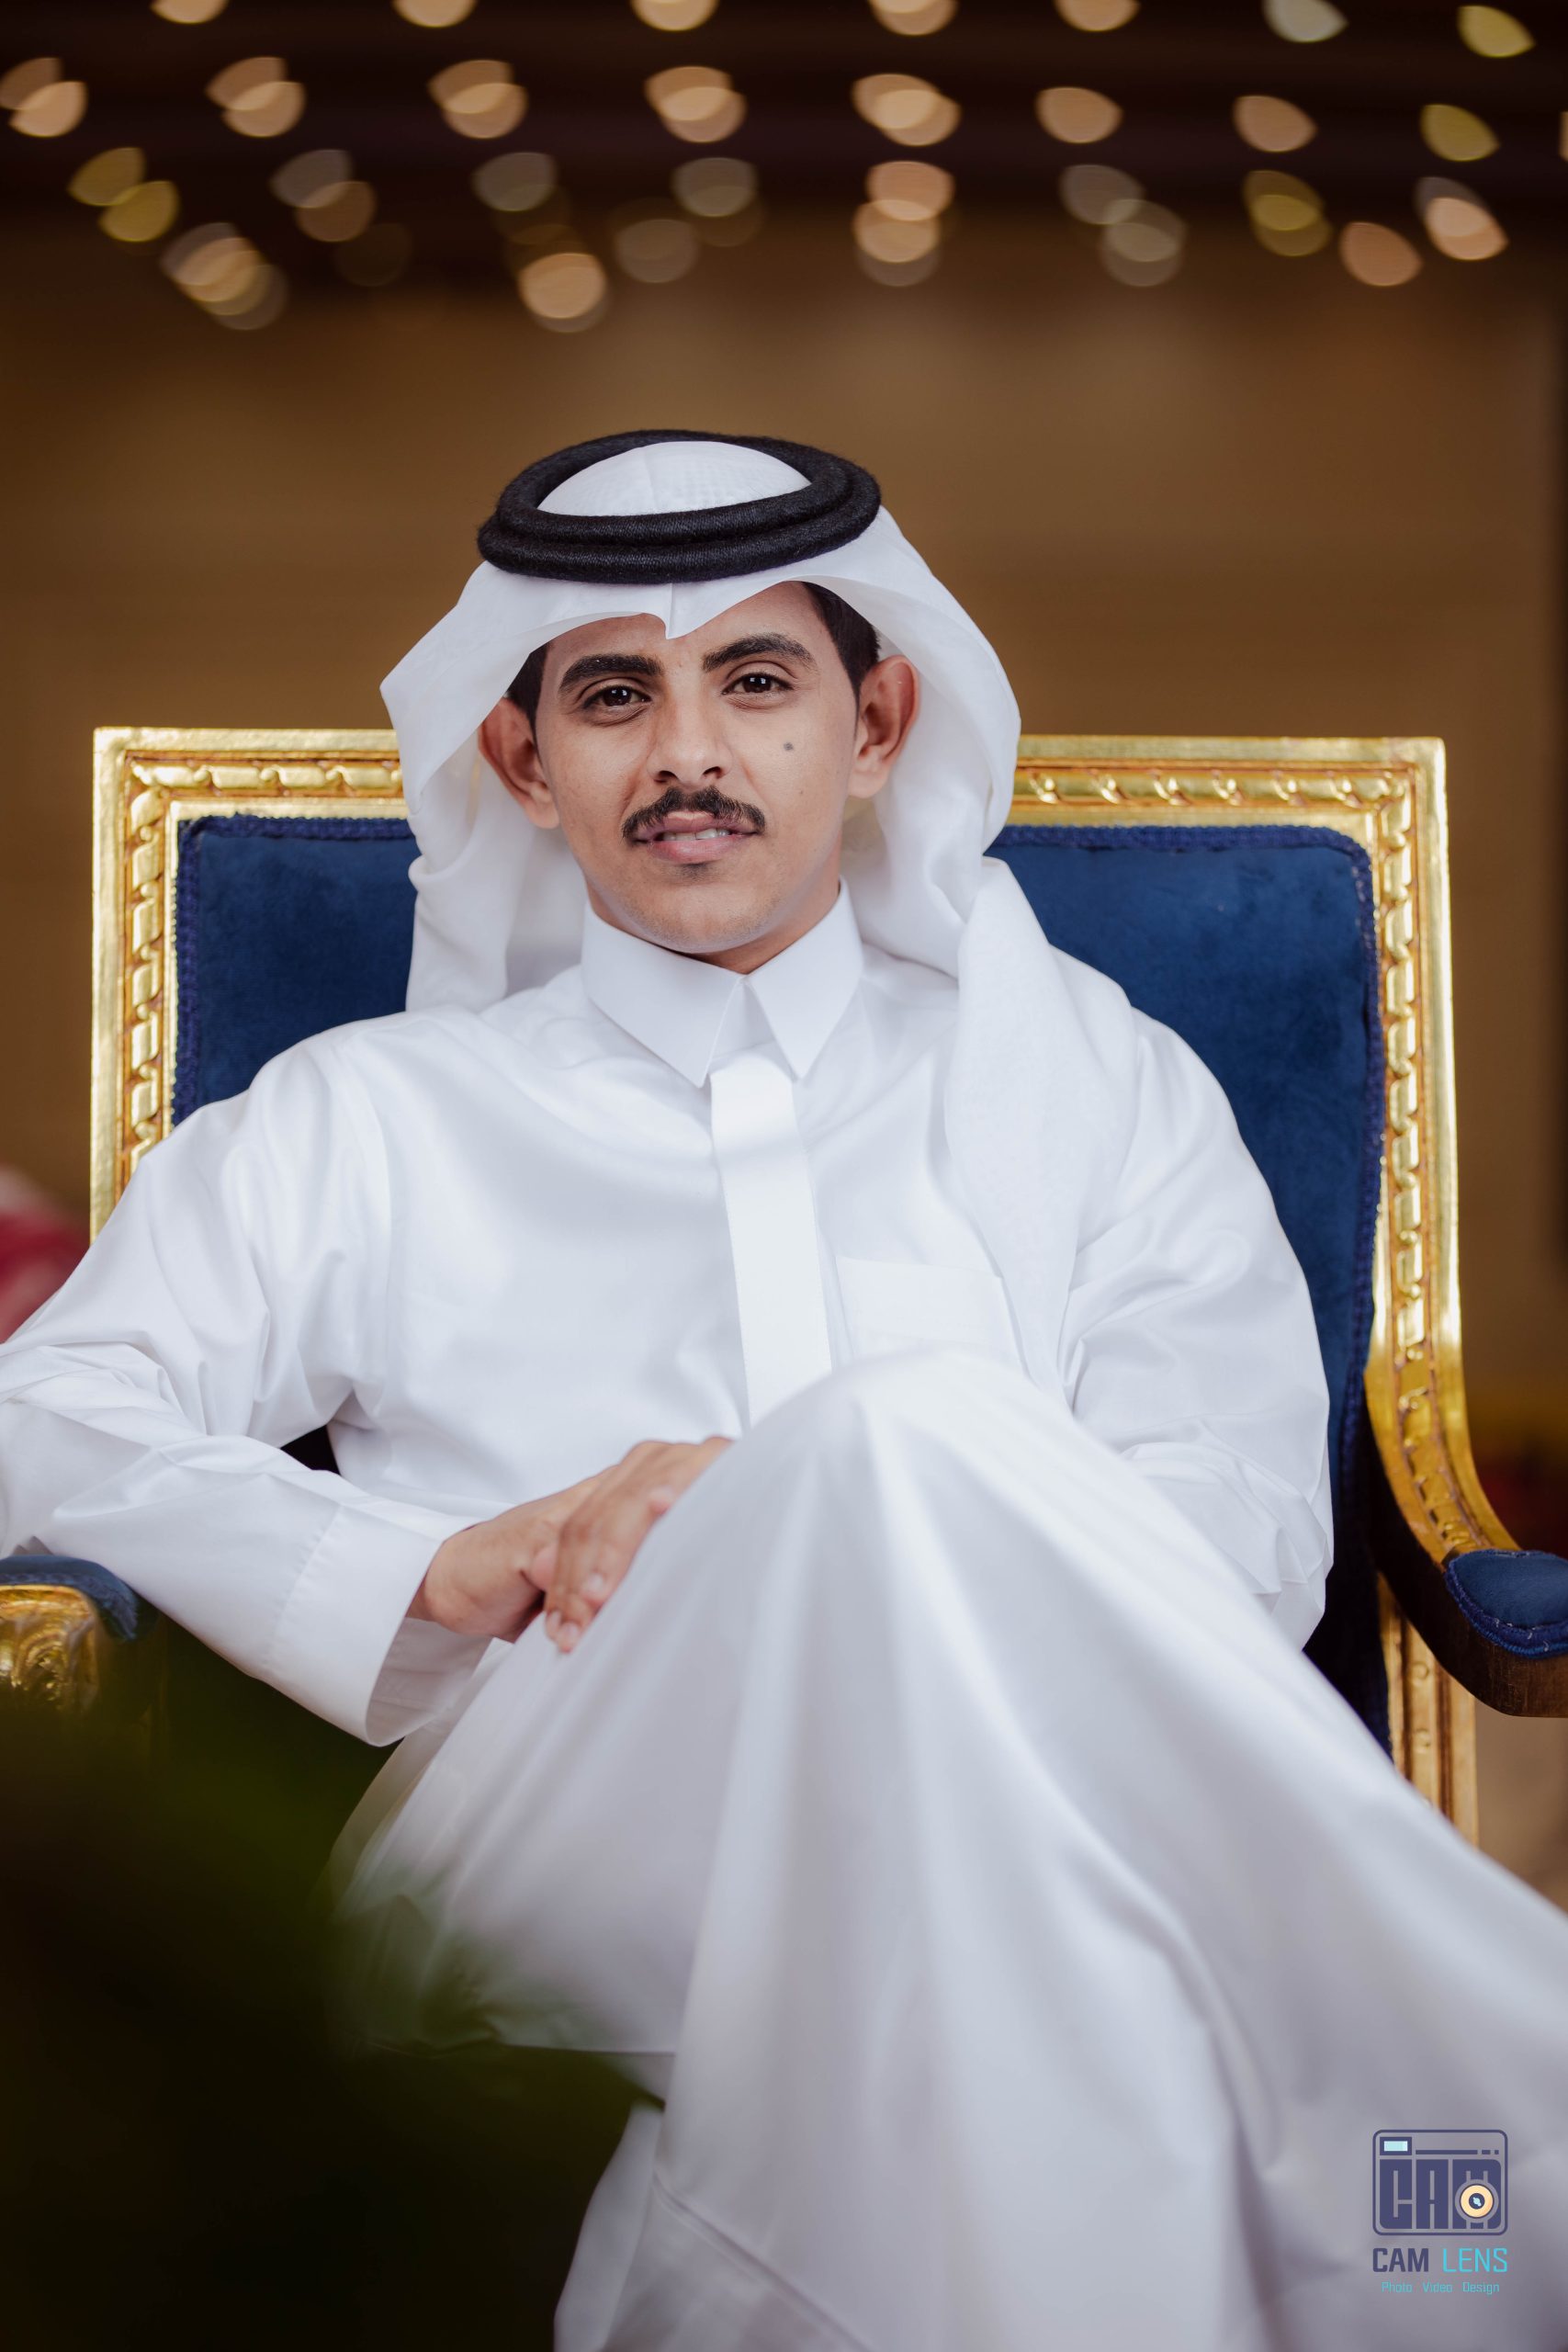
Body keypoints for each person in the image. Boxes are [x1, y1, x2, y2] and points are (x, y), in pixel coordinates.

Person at [2, 429, 1567, 2351]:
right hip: (552, 1828)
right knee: (904, 1440)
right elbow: (41, 1420)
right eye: (612, 696)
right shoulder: (372, 1117)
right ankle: (1495, 2172)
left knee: (948, 1659)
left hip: (1031, 1806)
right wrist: (435, 1563)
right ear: (524, 762)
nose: (687, 753)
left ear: (876, 721)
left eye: (754, 680)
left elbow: (1234, 1530)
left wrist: (838, 1533)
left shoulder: (1093, 1078)